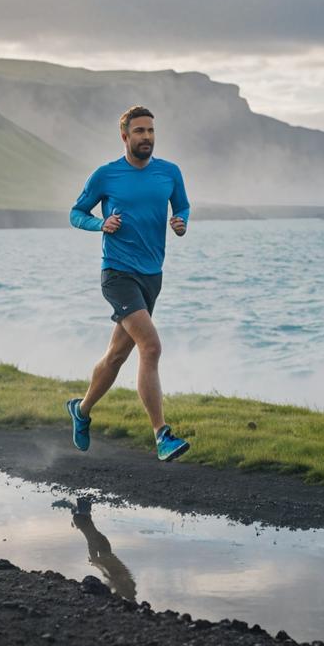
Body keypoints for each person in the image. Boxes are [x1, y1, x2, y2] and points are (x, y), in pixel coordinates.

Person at [67, 105, 191, 461]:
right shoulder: (107, 175)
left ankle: (82, 410)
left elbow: (181, 205)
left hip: (152, 276)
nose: (146, 137)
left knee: (117, 355)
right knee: (150, 347)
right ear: (124, 136)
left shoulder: (169, 173)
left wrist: (180, 222)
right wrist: (99, 225)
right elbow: (77, 213)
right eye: (139, 131)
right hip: (117, 274)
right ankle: (162, 436)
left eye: (151, 131)